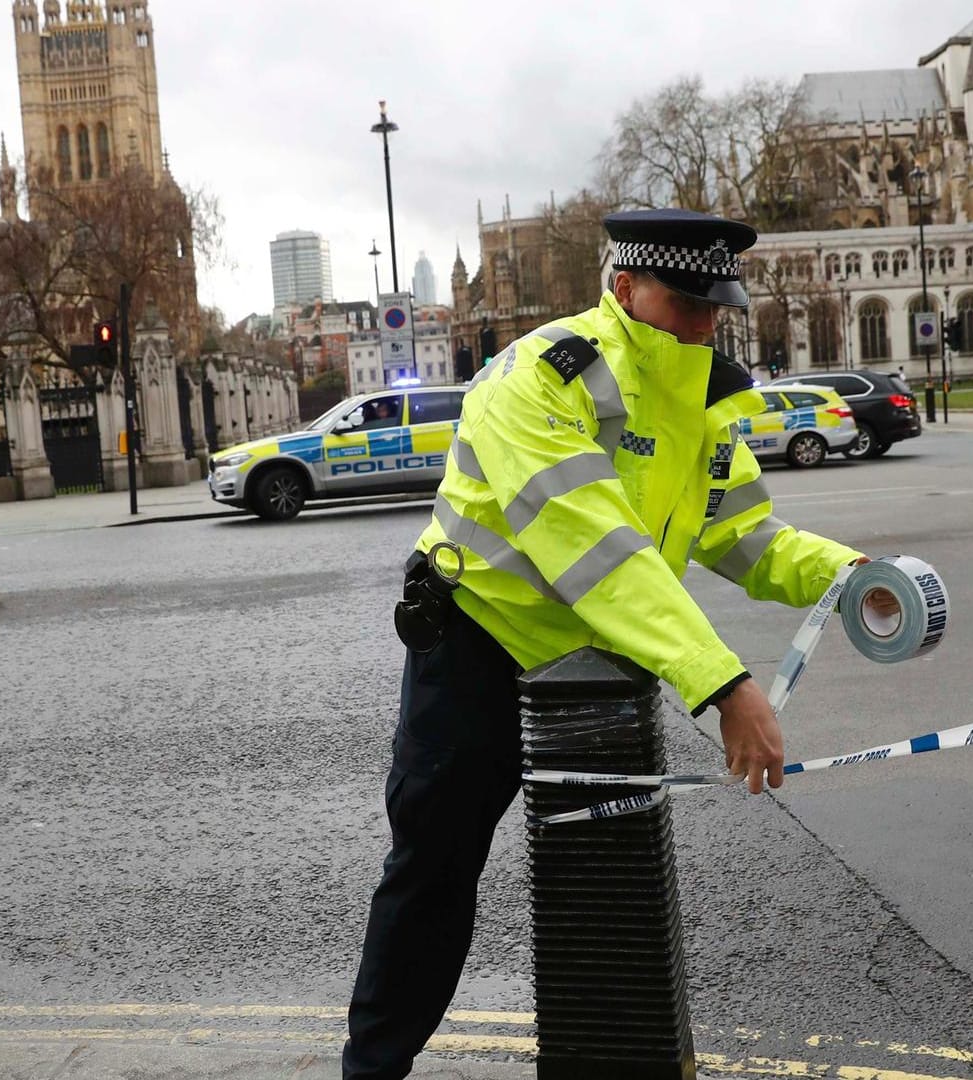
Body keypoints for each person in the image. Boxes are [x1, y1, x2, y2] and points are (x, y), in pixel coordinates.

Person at [343, 209, 892, 1080]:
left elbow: (748, 536)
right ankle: (372, 1070)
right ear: (624, 287)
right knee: (433, 875)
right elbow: (602, 554)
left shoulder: (701, 401)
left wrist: (852, 574)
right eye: (687, 302)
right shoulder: (542, 377)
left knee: (603, 884)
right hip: (480, 648)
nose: (708, 323)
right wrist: (722, 685)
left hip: (595, 674)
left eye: (719, 305)